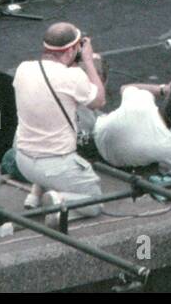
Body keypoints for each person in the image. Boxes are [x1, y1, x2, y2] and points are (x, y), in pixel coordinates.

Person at [12, 23, 106, 220]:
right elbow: (99, 101)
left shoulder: (23, 69)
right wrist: (88, 60)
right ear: (71, 49)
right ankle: (58, 202)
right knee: (95, 201)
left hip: (23, 159)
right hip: (56, 164)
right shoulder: (74, 76)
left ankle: (36, 195)